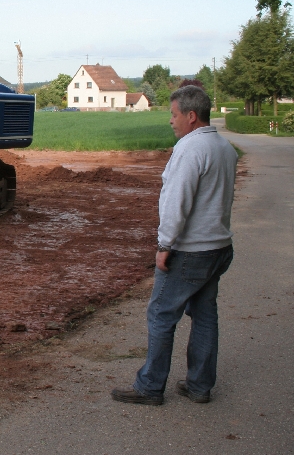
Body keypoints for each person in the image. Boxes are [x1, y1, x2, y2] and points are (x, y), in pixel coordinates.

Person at [111, 85, 237, 406]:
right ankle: (199, 385)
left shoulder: (190, 149)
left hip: (191, 251)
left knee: (161, 314)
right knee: (205, 315)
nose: (170, 120)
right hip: (219, 247)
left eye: (174, 114)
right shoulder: (224, 147)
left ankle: (150, 386)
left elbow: (176, 202)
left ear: (191, 116)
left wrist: (165, 245)